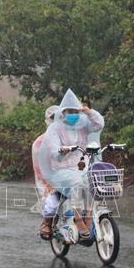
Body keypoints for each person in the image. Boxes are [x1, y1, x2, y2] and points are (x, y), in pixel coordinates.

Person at [38, 89, 105, 240]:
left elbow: (98, 125)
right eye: (70, 111)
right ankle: (77, 218)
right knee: (75, 184)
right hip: (61, 170)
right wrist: (62, 151)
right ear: (63, 112)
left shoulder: (83, 125)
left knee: (90, 183)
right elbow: (53, 153)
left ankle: (88, 216)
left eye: (76, 111)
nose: (73, 114)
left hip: (81, 167)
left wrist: (89, 112)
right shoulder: (54, 129)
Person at [32, 105, 58, 239]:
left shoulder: (71, 136)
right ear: (48, 120)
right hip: (51, 180)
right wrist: (50, 181)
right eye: (53, 118)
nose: (56, 121)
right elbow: (40, 167)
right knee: (52, 204)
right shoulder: (40, 142)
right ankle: (46, 223)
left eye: (59, 117)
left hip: (70, 176)